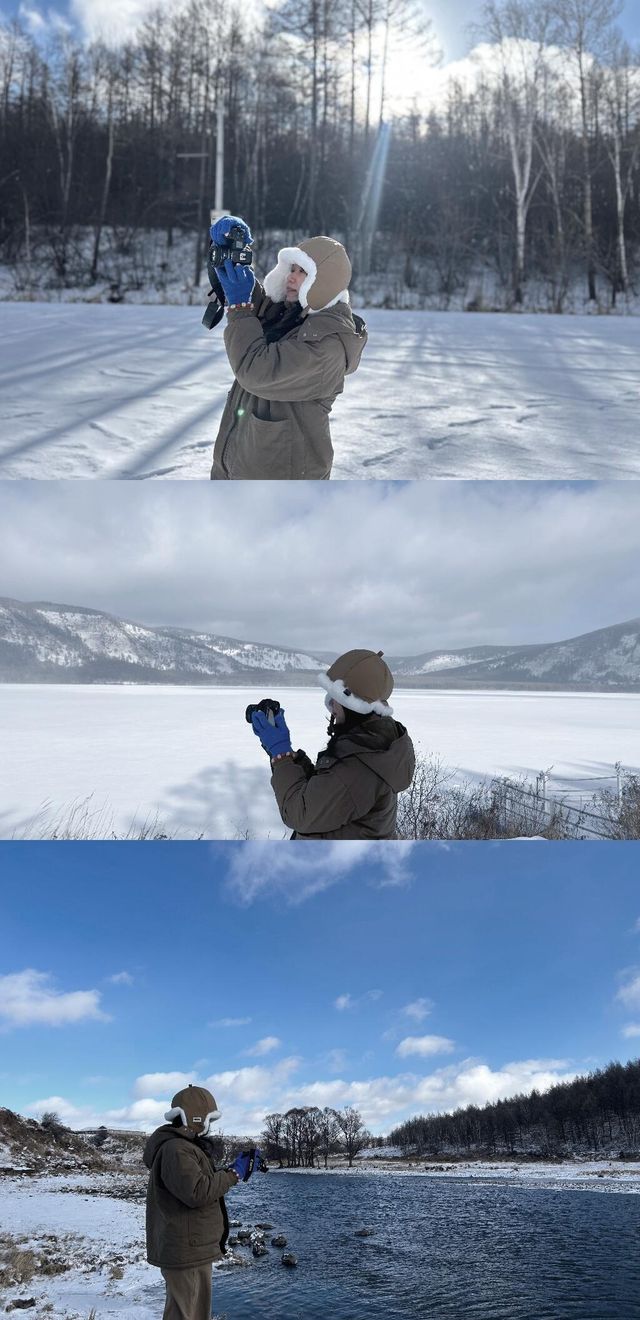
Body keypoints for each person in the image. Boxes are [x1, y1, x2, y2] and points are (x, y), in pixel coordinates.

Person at [208, 215, 367, 480]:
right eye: (291, 269)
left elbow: (255, 369)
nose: (291, 277)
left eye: (302, 272)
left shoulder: (327, 348)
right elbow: (261, 311)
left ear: (324, 281)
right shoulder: (293, 314)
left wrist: (239, 307)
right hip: (241, 467)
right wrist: (231, 257)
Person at [250, 650, 415, 839]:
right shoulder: (373, 744)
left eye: (335, 699)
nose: (331, 707)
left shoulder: (358, 765)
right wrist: (290, 757)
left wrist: (281, 755)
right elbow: (328, 788)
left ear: (352, 704)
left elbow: (299, 813)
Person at [144, 1084, 239, 1320]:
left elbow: (197, 1184)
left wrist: (228, 1173)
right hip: (188, 1250)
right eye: (209, 1119)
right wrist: (232, 1175)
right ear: (196, 1117)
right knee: (188, 1314)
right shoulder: (177, 1149)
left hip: (188, 1248)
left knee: (187, 1311)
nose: (210, 1126)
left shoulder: (180, 1146)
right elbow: (197, 1191)